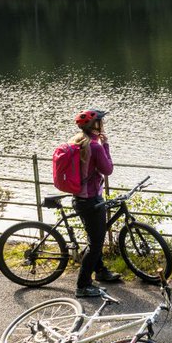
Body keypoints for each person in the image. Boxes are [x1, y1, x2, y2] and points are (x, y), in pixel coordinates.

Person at [71, 109, 120, 298]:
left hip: (80, 198)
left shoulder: (77, 141)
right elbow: (108, 169)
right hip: (91, 200)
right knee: (96, 244)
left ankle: (100, 270)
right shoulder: (95, 146)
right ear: (96, 125)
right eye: (101, 122)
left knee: (95, 237)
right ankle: (82, 286)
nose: (103, 124)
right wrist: (105, 145)